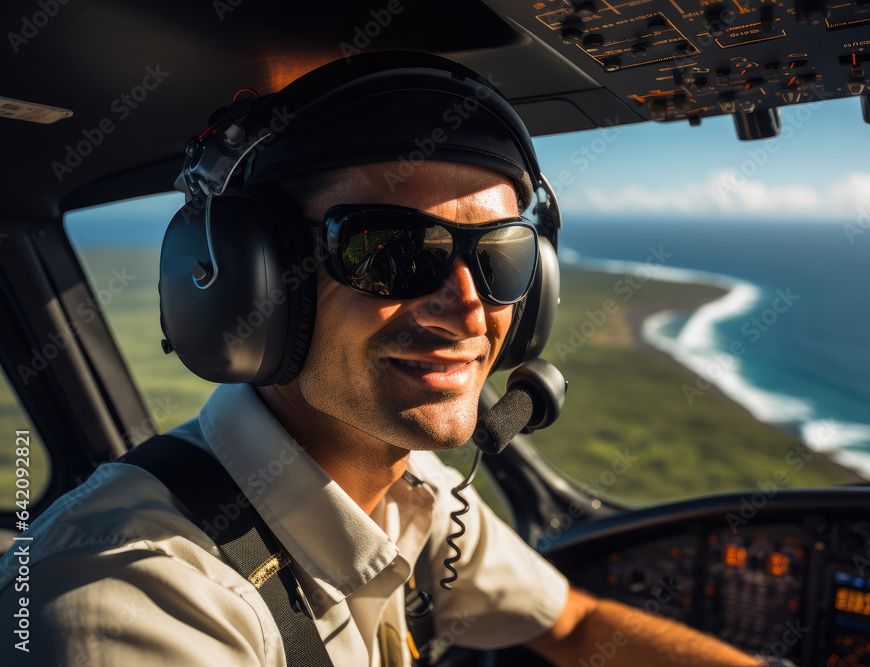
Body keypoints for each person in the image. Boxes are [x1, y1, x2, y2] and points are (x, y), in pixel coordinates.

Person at [0, 52, 771, 666]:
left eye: (501, 257)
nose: (470, 306)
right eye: (391, 252)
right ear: (252, 287)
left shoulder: (417, 496)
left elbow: (573, 624)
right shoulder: (127, 598)